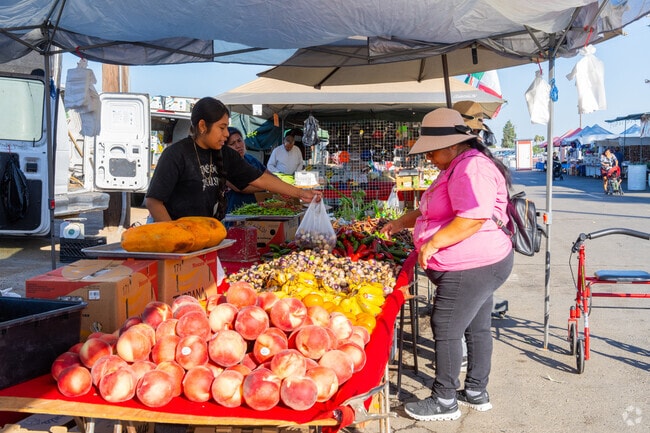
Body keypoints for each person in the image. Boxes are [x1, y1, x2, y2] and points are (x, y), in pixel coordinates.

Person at [380, 108, 514, 422]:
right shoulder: (455, 166)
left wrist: (434, 243)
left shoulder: (471, 168)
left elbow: (472, 217)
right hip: (478, 263)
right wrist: (401, 222)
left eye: (431, 150)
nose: (427, 157)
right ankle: (477, 392)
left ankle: (444, 400)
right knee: (476, 326)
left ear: (452, 145)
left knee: (447, 325)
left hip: (473, 264)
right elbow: (433, 210)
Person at [145, 97, 318, 222]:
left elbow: (261, 178)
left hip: (207, 237)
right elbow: (153, 201)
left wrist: (300, 193)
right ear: (203, 126)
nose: (226, 134)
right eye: (222, 128)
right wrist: (174, 236)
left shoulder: (225, 154)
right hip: (178, 240)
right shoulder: (176, 154)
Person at [224, 126, 269, 214]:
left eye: (239, 141)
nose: (238, 146)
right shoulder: (225, 164)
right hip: (236, 210)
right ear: (225, 148)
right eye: (232, 143)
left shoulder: (250, 159)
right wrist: (269, 186)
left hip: (258, 208)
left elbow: (268, 174)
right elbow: (241, 188)